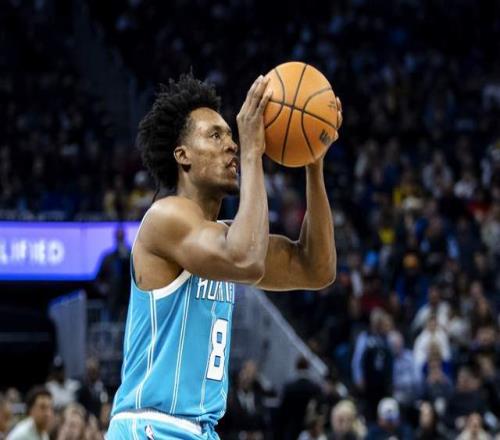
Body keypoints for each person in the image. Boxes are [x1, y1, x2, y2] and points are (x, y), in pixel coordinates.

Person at [107, 72, 341, 440]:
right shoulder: (165, 217)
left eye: (231, 136)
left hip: (200, 430)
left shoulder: (224, 237)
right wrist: (252, 152)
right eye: (215, 136)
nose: (231, 144)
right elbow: (246, 260)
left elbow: (317, 269)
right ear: (182, 156)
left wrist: (313, 162)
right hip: (152, 426)